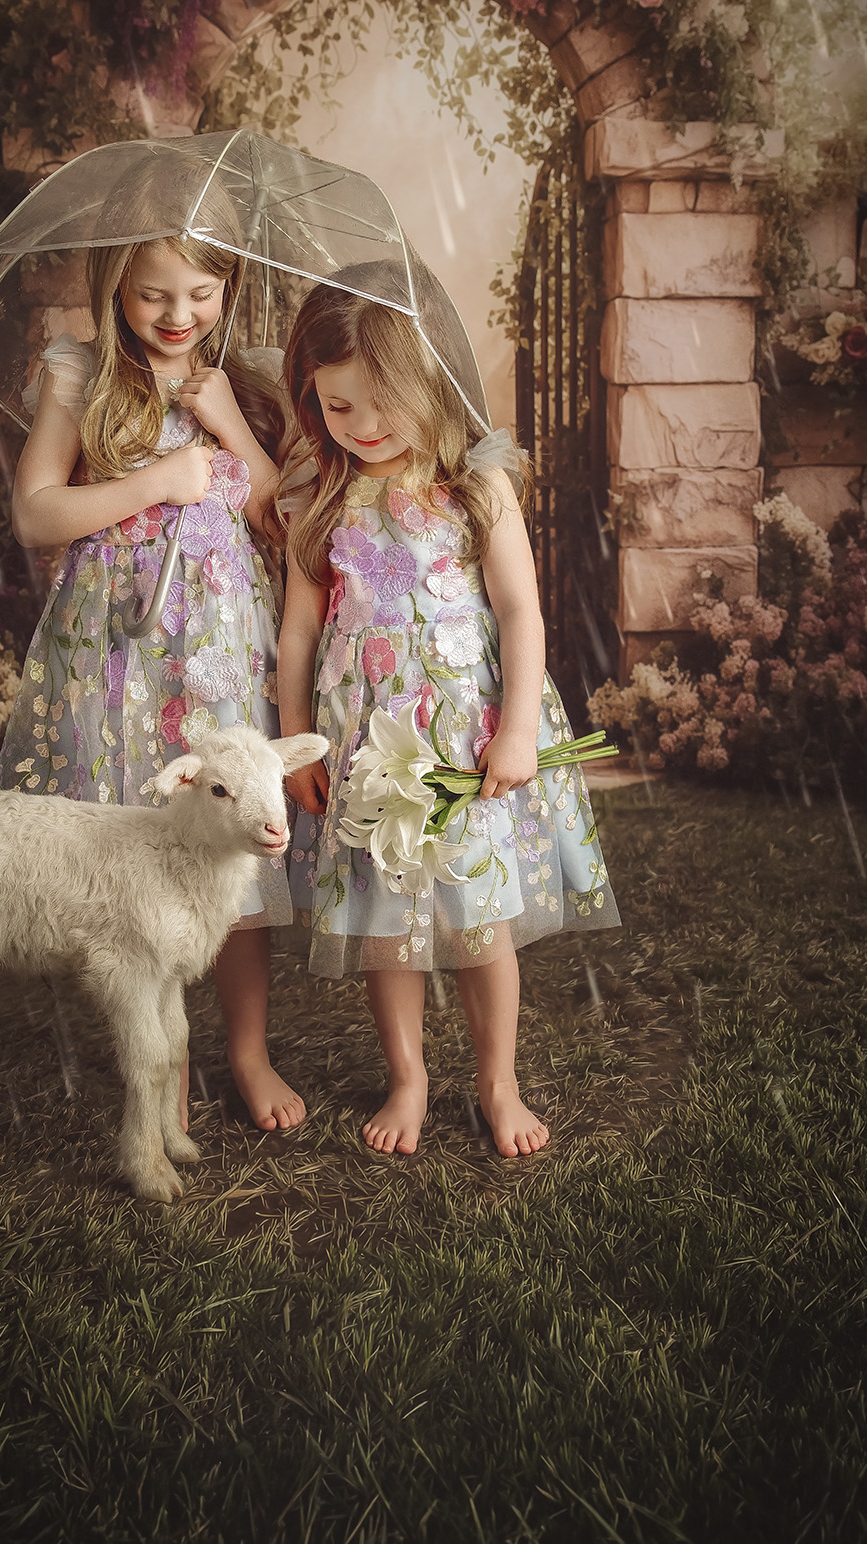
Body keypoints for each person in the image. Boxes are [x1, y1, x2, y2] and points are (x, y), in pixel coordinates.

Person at [275, 264, 620, 1159]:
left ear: (430, 376)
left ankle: (499, 1081)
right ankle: (407, 1077)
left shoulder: (476, 483)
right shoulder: (321, 493)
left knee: (479, 921)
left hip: (463, 737)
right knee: (386, 924)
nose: (362, 426)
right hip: (365, 745)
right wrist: (295, 748)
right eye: (337, 406)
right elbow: (299, 638)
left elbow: (518, 611)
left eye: (381, 401)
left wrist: (511, 731)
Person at [0, 168, 305, 1134]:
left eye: (202, 294)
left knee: (229, 851)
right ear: (113, 290)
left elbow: (275, 511)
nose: (178, 315)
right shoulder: (81, 372)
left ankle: (247, 1054)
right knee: (139, 848)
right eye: (152, 294)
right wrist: (154, 482)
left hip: (215, 648)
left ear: (231, 290)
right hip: (116, 655)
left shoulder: (237, 377)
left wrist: (221, 424)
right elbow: (37, 512)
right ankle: (157, 1061)